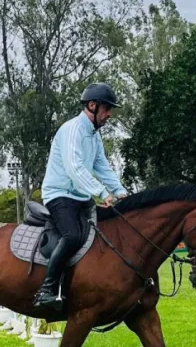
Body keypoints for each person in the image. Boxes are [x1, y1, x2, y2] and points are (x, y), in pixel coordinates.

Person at [32, 82, 129, 311]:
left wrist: (120, 191)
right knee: (72, 236)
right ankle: (46, 290)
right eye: (107, 109)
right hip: (60, 195)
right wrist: (102, 192)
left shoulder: (94, 136)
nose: (109, 114)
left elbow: (102, 166)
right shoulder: (72, 129)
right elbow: (75, 169)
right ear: (93, 106)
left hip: (81, 196)